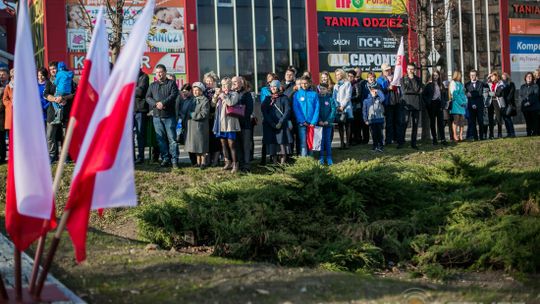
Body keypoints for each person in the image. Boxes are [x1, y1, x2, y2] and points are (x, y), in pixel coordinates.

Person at [146, 64, 180, 168]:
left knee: (172, 139)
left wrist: (163, 103)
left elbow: (173, 95)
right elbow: (147, 97)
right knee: (161, 140)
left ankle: (174, 160)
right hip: (157, 116)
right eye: (157, 72)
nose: (159, 74)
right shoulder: (152, 85)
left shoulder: (172, 83)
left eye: (161, 72)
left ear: (165, 72)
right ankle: (166, 159)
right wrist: (156, 104)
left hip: (169, 116)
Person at [43, 61, 76, 163]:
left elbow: (74, 93)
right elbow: (45, 94)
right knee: (50, 135)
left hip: (65, 111)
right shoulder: (49, 81)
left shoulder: (69, 79)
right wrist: (54, 99)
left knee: (65, 135)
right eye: (51, 69)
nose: (53, 70)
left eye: (54, 68)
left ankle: (65, 156)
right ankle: (52, 156)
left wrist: (64, 97)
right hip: (52, 113)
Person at [212, 77, 240, 172]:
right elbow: (212, 104)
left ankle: (235, 164)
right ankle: (227, 162)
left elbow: (231, 103)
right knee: (223, 144)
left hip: (229, 123)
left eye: (227, 84)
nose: (224, 86)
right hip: (220, 123)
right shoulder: (220, 94)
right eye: (223, 84)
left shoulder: (234, 94)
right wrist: (216, 95)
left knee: (232, 144)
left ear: (230, 85)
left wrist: (223, 95)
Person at [261, 80, 292, 165]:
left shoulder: (284, 98)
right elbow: (264, 111)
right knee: (273, 144)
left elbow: (287, 111)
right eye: (271, 87)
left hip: (281, 125)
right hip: (270, 125)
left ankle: (282, 163)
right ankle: (274, 163)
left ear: (278, 87)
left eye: (275, 86)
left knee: (282, 143)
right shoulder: (267, 99)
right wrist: (272, 123)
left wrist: (281, 122)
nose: (273, 88)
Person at [293, 76, 319, 156]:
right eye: (302, 83)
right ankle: (304, 161)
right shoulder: (297, 95)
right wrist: (302, 120)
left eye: (306, 83)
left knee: (310, 142)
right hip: (302, 123)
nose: (304, 85)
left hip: (311, 122)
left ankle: (310, 159)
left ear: (309, 83)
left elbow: (317, 108)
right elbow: (296, 108)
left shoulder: (314, 94)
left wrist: (313, 121)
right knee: (303, 142)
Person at [185, 82, 210, 168]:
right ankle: (198, 162)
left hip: (201, 125)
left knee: (202, 144)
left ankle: (203, 162)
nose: (195, 92)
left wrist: (192, 115)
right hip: (192, 126)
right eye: (194, 90)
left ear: (201, 91)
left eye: (197, 90)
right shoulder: (192, 100)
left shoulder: (205, 100)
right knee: (195, 144)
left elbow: (204, 113)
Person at [232, 76, 254, 172]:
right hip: (234, 124)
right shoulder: (231, 94)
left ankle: (247, 165)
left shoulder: (246, 94)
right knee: (237, 146)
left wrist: (238, 111)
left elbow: (249, 110)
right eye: (232, 82)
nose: (233, 84)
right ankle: (240, 164)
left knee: (245, 146)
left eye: (235, 82)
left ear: (241, 83)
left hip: (244, 124)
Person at [399, 63, 423, 149]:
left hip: (416, 104)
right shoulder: (403, 79)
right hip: (407, 105)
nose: (410, 70)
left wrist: (413, 80)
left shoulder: (418, 79)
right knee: (404, 123)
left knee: (415, 125)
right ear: (407, 69)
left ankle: (414, 143)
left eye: (412, 69)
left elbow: (418, 88)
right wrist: (416, 92)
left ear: (414, 70)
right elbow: (404, 90)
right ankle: (401, 142)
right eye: (409, 68)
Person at [377, 63, 400, 145]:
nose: (388, 71)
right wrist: (387, 88)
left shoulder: (396, 77)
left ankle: (397, 139)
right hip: (387, 103)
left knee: (397, 121)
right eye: (386, 70)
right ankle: (388, 140)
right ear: (383, 71)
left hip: (397, 101)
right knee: (389, 122)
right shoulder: (380, 79)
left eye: (389, 69)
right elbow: (379, 92)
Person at [423, 70, 447, 145]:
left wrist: (444, 103)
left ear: (439, 76)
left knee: (440, 122)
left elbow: (444, 95)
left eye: (437, 75)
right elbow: (424, 95)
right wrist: (428, 102)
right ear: (432, 76)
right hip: (432, 104)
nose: (435, 77)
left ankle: (443, 138)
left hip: (439, 104)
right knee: (432, 122)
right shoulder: (429, 84)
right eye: (434, 75)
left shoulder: (441, 84)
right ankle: (434, 139)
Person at [203, 71, 221, 167]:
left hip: (216, 117)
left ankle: (216, 160)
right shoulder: (204, 91)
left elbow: (214, 105)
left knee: (216, 139)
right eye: (207, 81)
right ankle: (208, 160)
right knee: (208, 139)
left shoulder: (218, 90)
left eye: (210, 81)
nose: (208, 83)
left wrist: (215, 95)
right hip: (207, 119)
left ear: (214, 81)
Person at [177, 83, 197, 166]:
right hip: (185, 125)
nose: (184, 93)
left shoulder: (194, 100)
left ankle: (196, 162)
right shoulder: (184, 100)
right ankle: (193, 162)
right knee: (187, 144)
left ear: (190, 91)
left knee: (193, 144)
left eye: (185, 91)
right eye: (183, 92)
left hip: (192, 125)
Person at [363, 82, 386, 152]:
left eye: (374, 90)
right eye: (372, 90)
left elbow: (383, 97)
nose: (373, 92)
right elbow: (364, 111)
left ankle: (381, 146)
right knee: (373, 134)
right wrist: (365, 119)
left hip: (379, 120)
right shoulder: (366, 100)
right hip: (371, 120)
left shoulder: (379, 99)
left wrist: (378, 91)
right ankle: (375, 146)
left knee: (380, 134)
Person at [333, 68, 353, 149]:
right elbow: (334, 97)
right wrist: (337, 106)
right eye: (336, 75)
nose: (337, 76)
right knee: (340, 125)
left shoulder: (347, 83)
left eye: (339, 74)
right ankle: (341, 143)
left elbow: (348, 96)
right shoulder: (336, 85)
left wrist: (342, 106)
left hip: (346, 107)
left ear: (342, 74)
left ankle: (347, 143)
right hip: (338, 108)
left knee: (348, 125)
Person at [317, 83, 336, 165]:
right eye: (320, 89)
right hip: (320, 124)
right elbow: (316, 110)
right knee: (321, 141)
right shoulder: (317, 98)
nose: (322, 90)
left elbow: (333, 111)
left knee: (327, 140)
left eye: (324, 89)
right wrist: (319, 120)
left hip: (328, 124)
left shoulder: (330, 99)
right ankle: (321, 157)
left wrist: (328, 120)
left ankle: (329, 157)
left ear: (327, 89)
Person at [133, 69, 149, 164]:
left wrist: (129, 88)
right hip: (129, 111)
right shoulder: (128, 75)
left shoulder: (144, 77)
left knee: (140, 135)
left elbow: (140, 92)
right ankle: (132, 157)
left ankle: (141, 157)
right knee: (129, 136)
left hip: (140, 110)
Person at [464, 70, 485, 141]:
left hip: (479, 105)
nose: (472, 76)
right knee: (472, 122)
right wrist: (470, 95)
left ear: (476, 76)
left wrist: (471, 94)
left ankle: (482, 137)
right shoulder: (466, 84)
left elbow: (479, 93)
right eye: (471, 75)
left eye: (474, 75)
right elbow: (466, 94)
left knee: (480, 121)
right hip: (470, 105)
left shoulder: (480, 83)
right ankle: (475, 137)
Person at [449, 71, 468, 142]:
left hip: (462, 103)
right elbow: (454, 94)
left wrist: (465, 101)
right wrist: (461, 102)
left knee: (462, 119)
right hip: (456, 103)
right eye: (460, 75)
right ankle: (455, 135)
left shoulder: (461, 84)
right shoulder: (453, 83)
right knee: (456, 119)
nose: (461, 76)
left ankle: (461, 135)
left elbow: (463, 93)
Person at [520, 72, 540, 136]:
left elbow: (535, 96)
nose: (529, 77)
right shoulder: (522, 86)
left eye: (530, 76)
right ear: (525, 78)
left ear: (532, 78)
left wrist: (528, 103)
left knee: (534, 121)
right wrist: (524, 103)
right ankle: (528, 133)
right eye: (527, 76)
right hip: (525, 108)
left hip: (534, 107)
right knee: (528, 121)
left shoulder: (535, 86)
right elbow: (521, 95)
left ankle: (534, 133)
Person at [486, 72, 505, 139]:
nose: (491, 78)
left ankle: (500, 134)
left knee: (499, 118)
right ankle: (491, 134)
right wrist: (487, 78)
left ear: (496, 76)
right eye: (490, 77)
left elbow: (498, 93)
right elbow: (484, 87)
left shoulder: (500, 83)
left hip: (497, 102)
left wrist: (489, 93)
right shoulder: (489, 83)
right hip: (490, 102)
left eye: (492, 76)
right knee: (490, 119)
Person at [500, 73, 516, 138]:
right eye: (502, 77)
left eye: (504, 76)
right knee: (505, 119)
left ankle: (512, 133)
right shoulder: (501, 84)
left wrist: (508, 99)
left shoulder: (511, 84)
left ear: (507, 77)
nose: (503, 77)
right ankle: (508, 133)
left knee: (508, 118)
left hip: (509, 104)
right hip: (503, 103)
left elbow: (512, 93)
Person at [0, 67, 8, 164]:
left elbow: (3, 103)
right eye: (0, 75)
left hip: (6, 116)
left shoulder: (7, 86)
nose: (1, 76)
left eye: (3, 74)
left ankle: (3, 158)